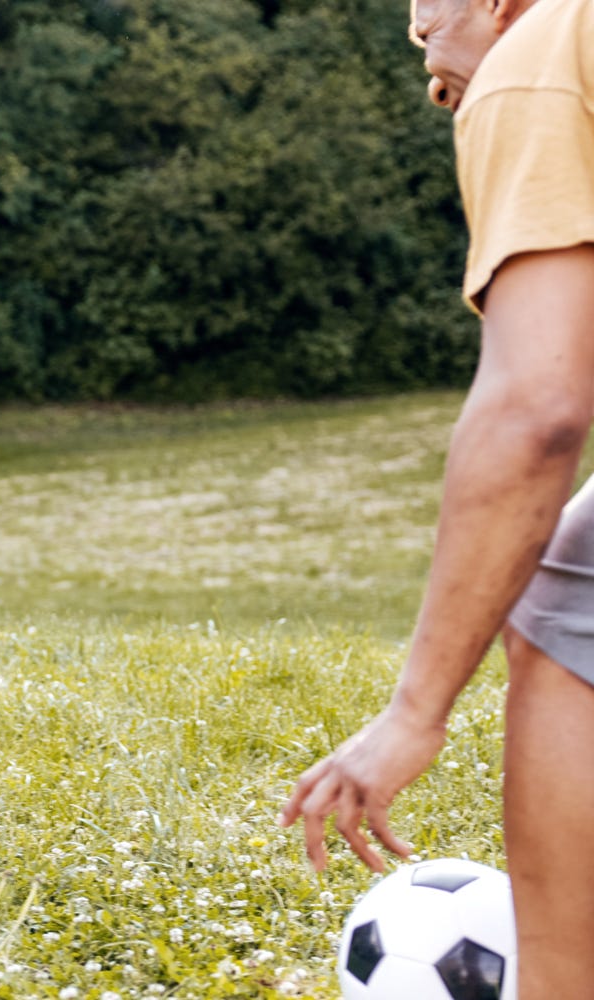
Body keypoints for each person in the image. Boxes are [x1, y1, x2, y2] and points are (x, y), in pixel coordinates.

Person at [279, 0, 594, 993]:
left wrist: (414, 711)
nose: (426, 72)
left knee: (560, 599)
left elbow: (535, 408)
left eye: (425, 30)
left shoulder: (543, 53)